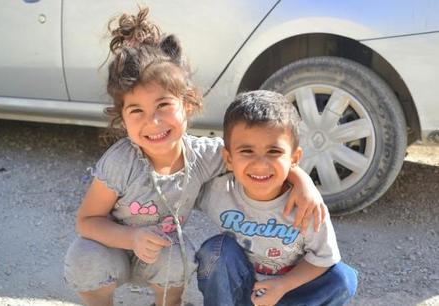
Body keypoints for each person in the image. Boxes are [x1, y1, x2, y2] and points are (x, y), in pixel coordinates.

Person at [64, 8, 326, 306]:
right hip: (111, 249)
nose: (153, 121)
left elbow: (251, 157)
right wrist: (131, 239)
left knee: (179, 254)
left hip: (161, 253)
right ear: (123, 119)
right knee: (83, 257)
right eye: (137, 111)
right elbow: (87, 221)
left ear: (187, 104)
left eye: (163, 105)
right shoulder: (121, 162)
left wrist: (301, 180)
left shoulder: (201, 156)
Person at [196, 90, 358, 306]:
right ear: (228, 158)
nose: (260, 164)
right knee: (215, 251)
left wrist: (282, 286)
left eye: (273, 151)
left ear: (295, 158)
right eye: (246, 151)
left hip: (287, 293)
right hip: (241, 293)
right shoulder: (218, 190)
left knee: (343, 278)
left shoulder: (306, 205)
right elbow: (176, 175)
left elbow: (324, 258)